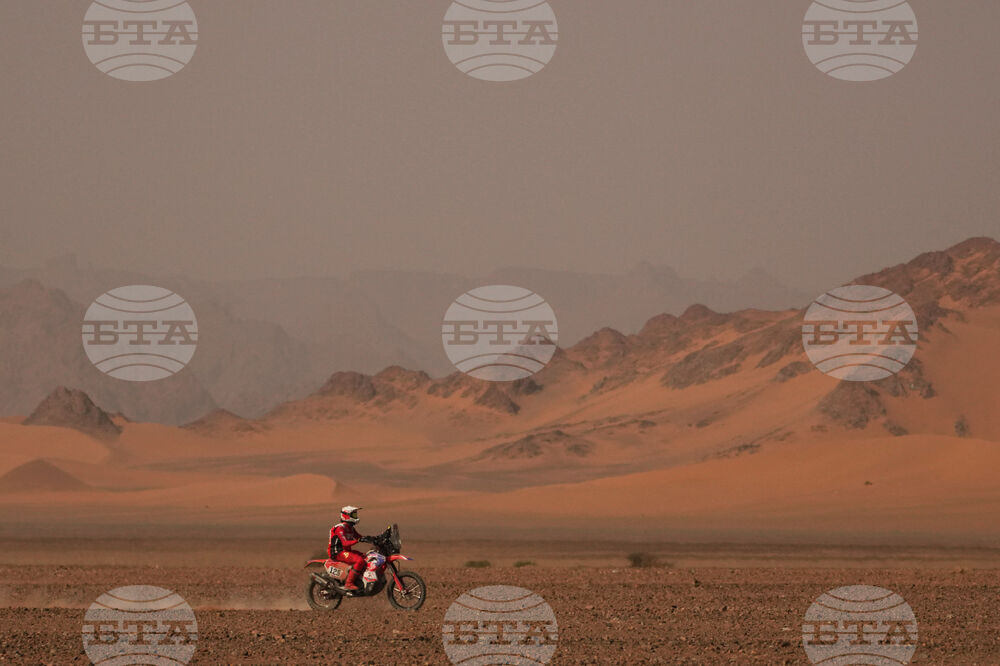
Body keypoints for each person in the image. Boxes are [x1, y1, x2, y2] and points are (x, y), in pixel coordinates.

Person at [327, 505, 372, 591]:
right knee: (359, 560)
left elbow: (360, 537)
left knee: (365, 556)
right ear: (346, 516)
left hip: (346, 552)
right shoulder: (340, 528)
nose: (356, 516)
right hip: (338, 553)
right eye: (353, 515)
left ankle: (359, 579)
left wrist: (373, 539)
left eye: (355, 514)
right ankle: (349, 583)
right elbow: (345, 543)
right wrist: (358, 540)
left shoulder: (350, 528)